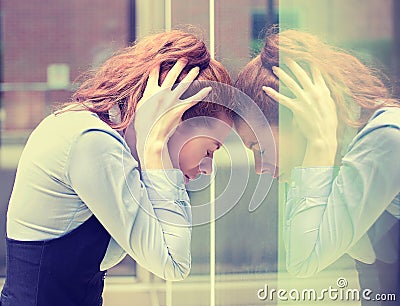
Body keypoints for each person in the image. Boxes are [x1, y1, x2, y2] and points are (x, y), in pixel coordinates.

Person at [1, 30, 234, 306]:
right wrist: (154, 143)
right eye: (209, 150)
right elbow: (173, 262)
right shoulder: (91, 142)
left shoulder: (105, 138)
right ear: (176, 120)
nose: (208, 168)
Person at [235, 28, 399, 304]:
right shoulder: (352, 152)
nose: (259, 168)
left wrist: (320, 142)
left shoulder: (385, 138)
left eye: (259, 148)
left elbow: (303, 261)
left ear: (296, 118)